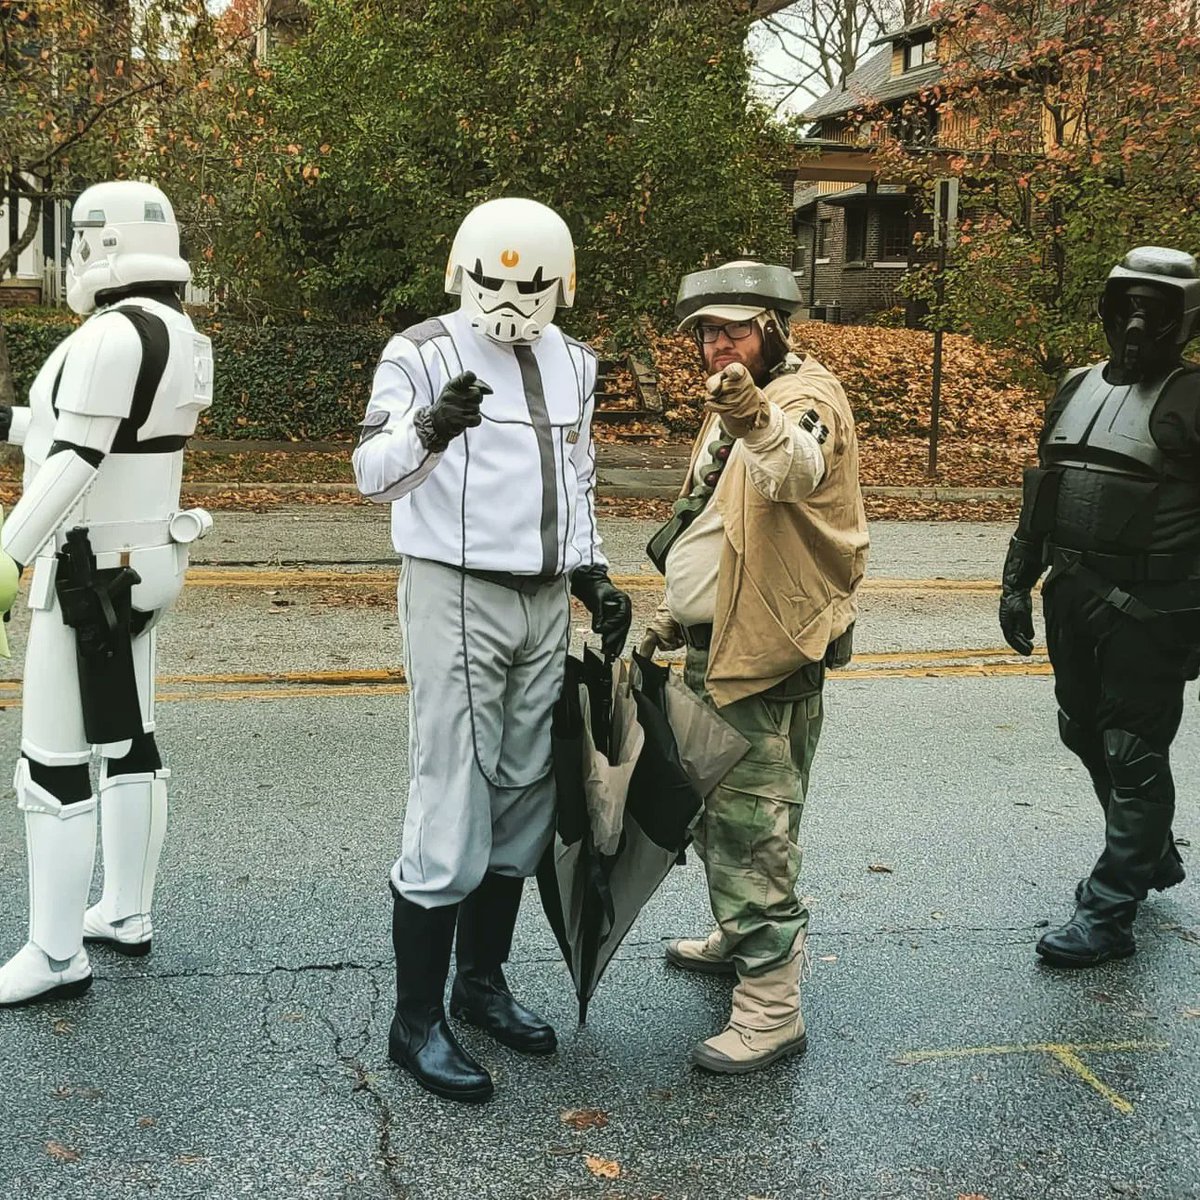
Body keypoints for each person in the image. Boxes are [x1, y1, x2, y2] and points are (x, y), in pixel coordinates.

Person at [353, 197, 632, 1103]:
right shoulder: (422, 350)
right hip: (454, 584)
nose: (510, 297)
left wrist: (592, 576)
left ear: (564, 285)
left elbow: (576, 480)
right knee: (453, 786)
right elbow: (369, 475)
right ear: (460, 273)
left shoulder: (576, 362)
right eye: (494, 279)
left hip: (544, 595)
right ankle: (415, 1020)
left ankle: (479, 985)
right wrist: (432, 425)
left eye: (530, 283)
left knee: (524, 790)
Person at [640, 260, 868, 1073]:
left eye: (732, 327)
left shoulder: (804, 400)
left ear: (773, 327)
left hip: (761, 659)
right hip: (715, 643)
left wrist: (751, 413)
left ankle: (772, 1011)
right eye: (704, 330)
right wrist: (671, 614)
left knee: (753, 828)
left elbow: (793, 471)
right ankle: (741, 937)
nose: (713, 344)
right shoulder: (735, 399)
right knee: (716, 815)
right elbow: (715, 517)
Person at [0, 180, 214, 1006]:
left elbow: (76, 461)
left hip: (84, 570)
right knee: (130, 737)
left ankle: (56, 955)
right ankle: (124, 910)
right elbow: (99, 437)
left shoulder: (108, 336)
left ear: (99, 243)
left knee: (50, 762)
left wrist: (9, 555)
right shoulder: (179, 334)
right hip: (148, 558)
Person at [999, 246, 1200, 968]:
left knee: (1131, 750)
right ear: (1109, 308)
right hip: (1073, 593)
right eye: (1128, 304)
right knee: (1081, 730)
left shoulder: (1193, 398)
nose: (1139, 320)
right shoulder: (1076, 384)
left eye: (1157, 307)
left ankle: (1109, 911)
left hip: (1153, 607)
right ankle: (1149, 852)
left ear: (1184, 318)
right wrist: (1017, 577)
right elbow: (1047, 485)